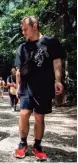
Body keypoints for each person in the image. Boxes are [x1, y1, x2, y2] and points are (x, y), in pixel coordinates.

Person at [13, 16, 66, 161]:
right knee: (23, 113)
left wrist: (58, 81)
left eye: (26, 29)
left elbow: (57, 63)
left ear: (35, 26)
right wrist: (18, 87)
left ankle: (37, 145)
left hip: (44, 86)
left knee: (39, 117)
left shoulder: (51, 42)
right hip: (26, 86)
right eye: (22, 29)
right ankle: (22, 143)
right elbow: (18, 70)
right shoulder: (22, 47)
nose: (23, 32)